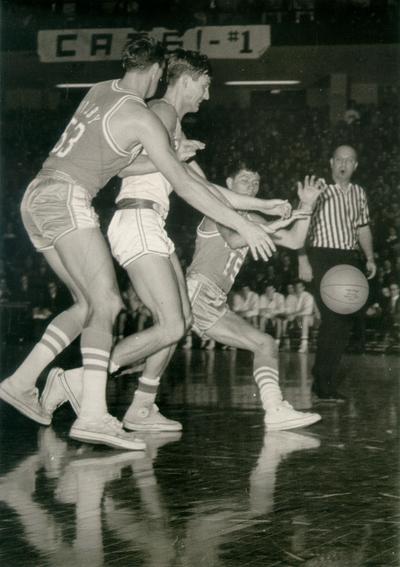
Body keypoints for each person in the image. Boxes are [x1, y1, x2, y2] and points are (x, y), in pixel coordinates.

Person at [0, 38, 277, 451]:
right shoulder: (145, 114)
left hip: (37, 196)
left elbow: (118, 161)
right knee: (110, 304)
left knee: (87, 305)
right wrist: (245, 224)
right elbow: (184, 185)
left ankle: (22, 383)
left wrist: (171, 153)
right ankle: (92, 414)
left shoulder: (102, 90)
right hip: (73, 200)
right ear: (156, 72)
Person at [184, 162, 323, 430]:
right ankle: (92, 377)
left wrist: (306, 207)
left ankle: (275, 410)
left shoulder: (253, 219)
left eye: (257, 181)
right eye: (246, 180)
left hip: (214, 299)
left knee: (265, 344)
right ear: (228, 183)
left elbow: (294, 241)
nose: (253, 185)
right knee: (154, 347)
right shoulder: (216, 206)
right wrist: (271, 226)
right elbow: (235, 240)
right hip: (199, 291)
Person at [298, 145, 376, 402]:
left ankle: (322, 375)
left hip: (349, 258)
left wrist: (370, 257)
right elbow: (300, 225)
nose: (343, 164)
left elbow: (362, 228)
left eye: (349, 160)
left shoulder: (359, 193)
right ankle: (323, 384)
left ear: (355, 165)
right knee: (334, 319)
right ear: (331, 162)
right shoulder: (318, 189)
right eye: (339, 159)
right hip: (322, 255)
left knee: (342, 322)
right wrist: (302, 259)